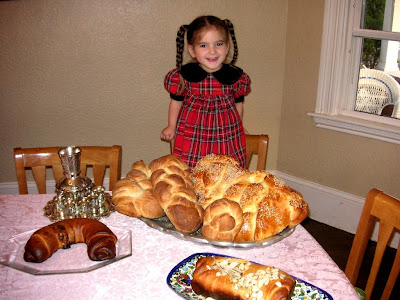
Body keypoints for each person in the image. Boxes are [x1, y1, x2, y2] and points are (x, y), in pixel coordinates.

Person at [161, 15, 251, 168]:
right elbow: (176, 102)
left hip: (226, 134)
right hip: (193, 134)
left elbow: (238, 104)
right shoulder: (184, 76)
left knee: (226, 169)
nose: (212, 51)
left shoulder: (235, 77)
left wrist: (240, 125)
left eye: (218, 44)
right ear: (192, 50)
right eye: (203, 46)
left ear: (227, 47)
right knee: (190, 170)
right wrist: (171, 125)